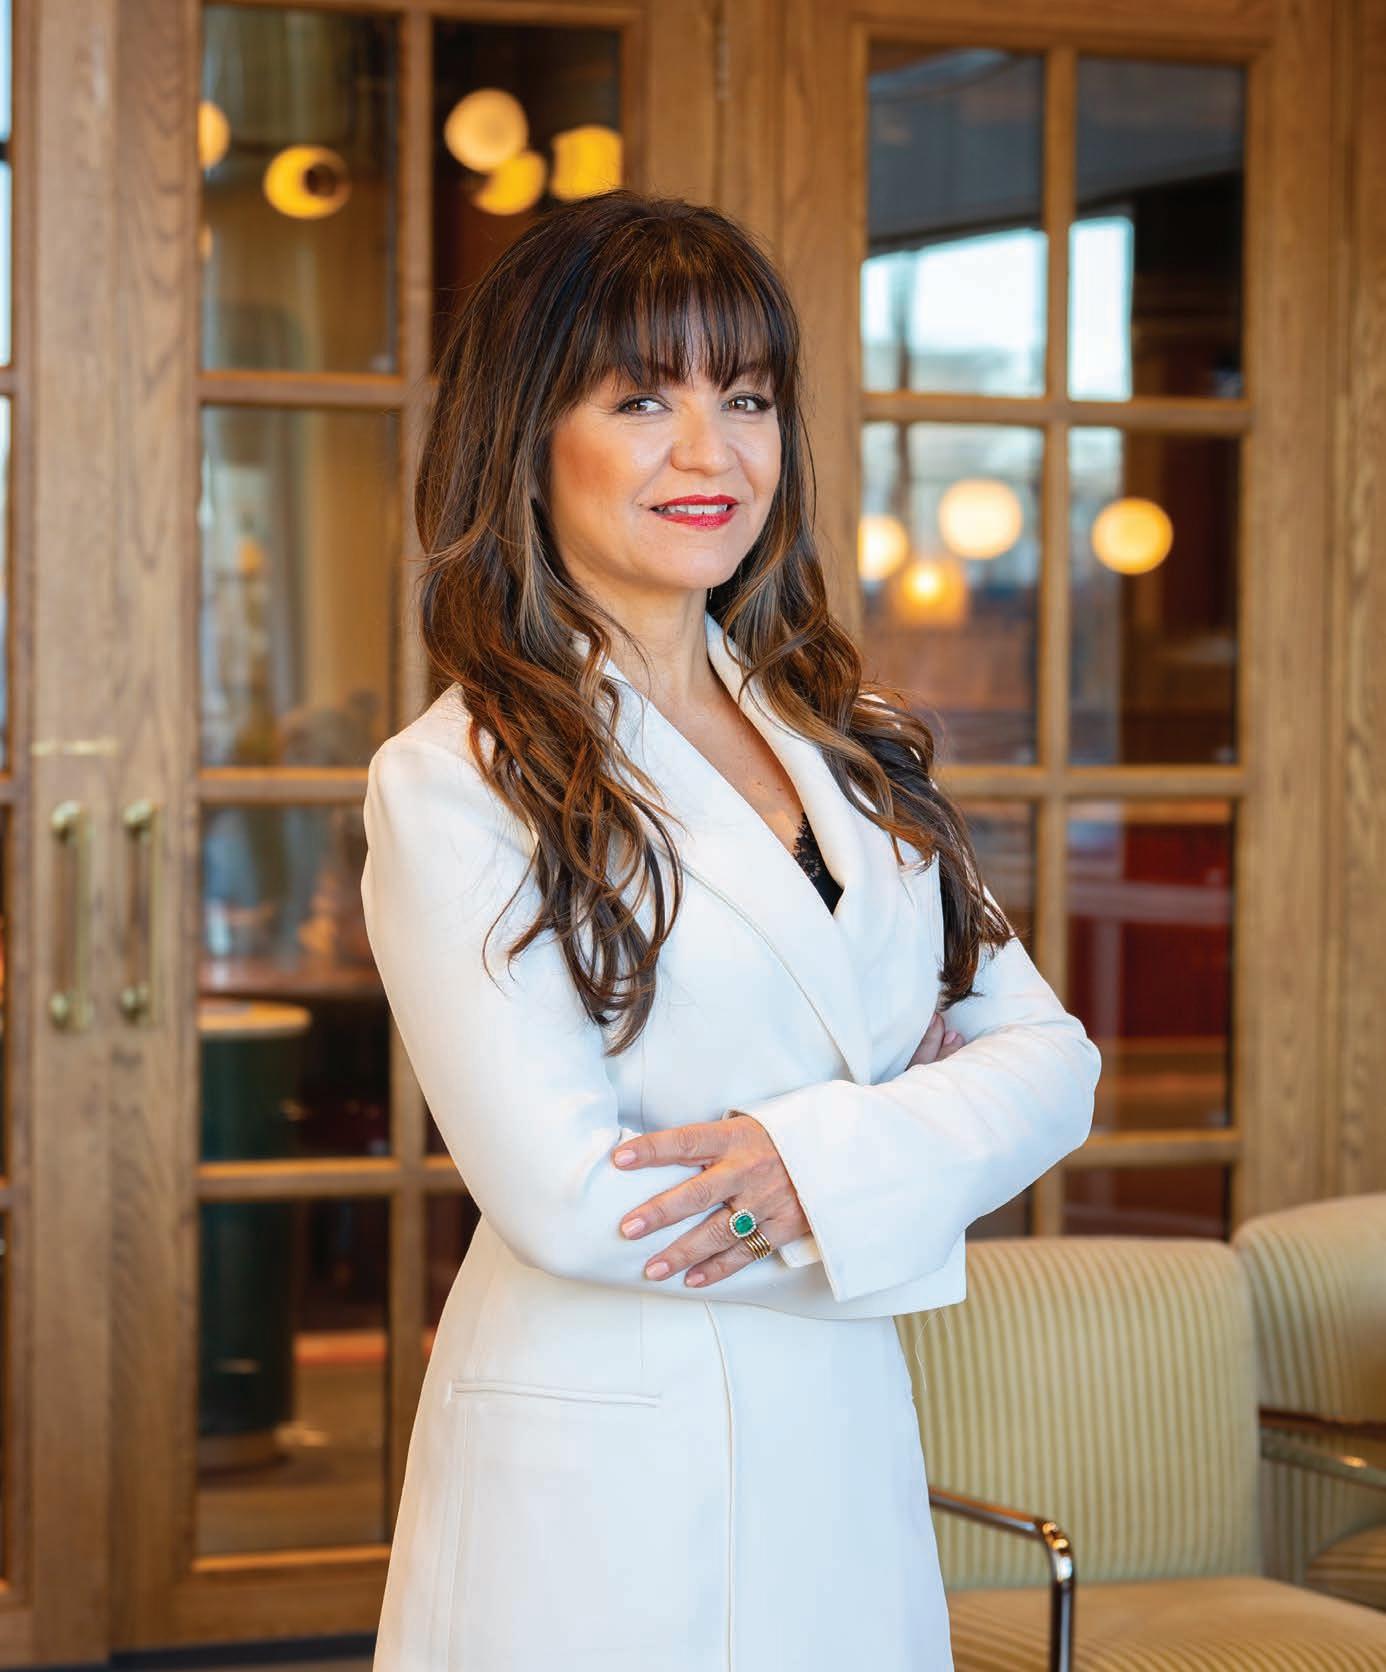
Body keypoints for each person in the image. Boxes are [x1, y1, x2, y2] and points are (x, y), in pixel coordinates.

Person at [360, 188, 1101, 1671]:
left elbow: (1053, 1062)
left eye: (747, 398)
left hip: (842, 1430)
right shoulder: (454, 780)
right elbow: (578, 1199)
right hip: (606, 1469)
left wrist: (795, 1163)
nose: (712, 453)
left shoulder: (847, 740)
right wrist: (896, 1141)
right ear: (526, 435)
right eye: (642, 399)